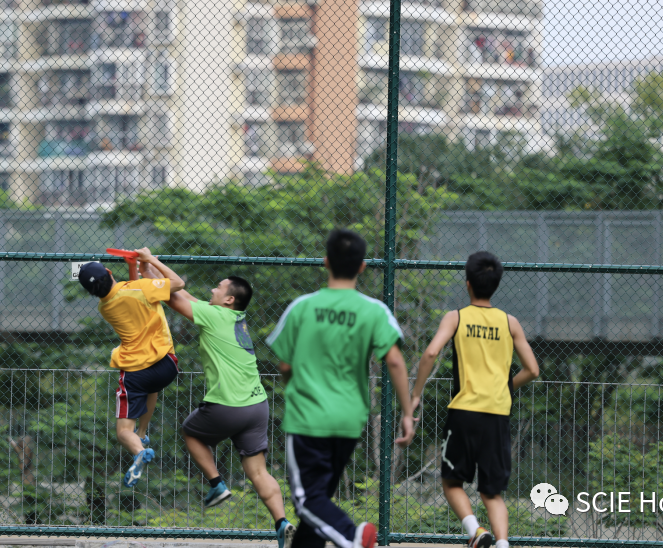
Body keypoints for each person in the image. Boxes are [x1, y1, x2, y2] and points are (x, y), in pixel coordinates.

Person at [266, 229, 415, 548]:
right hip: (349, 420)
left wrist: (296, 389)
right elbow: (396, 362)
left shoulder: (302, 307)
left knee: (307, 502)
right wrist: (407, 411)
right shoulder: (375, 310)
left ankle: (352, 536)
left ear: (325, 262)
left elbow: (285, 366)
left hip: (307, 418)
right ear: (362, 266)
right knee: (317, 507)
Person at [143, 260, 294, 548]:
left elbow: (171, 295)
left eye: (219, 287)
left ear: (229, 299)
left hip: (228, 404)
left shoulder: (214, 316)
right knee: (258, 472)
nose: (213, 288)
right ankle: (282, 523)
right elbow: (185, 297)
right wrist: (146, 270)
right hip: (256, 404)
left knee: (190, 431)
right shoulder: (233, 318)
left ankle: (217, 485)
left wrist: (149, 263)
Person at [408, 251, 540, 548]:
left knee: (452, 482)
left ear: (467, 284)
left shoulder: (456, 317)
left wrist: (416, 394)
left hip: (465, 412)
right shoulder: (510, 323)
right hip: (497, 415)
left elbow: (430, 353)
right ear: (496, 285)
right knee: (492, 492)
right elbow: (532, 370)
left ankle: (476, 531)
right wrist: (505, 388)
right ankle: (503, 544)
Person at [77, 247, 184, 487]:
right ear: (109, 271)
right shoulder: (138, 290)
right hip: (166, 365)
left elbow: (131, 294)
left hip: (136, 374)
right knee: (152, 386)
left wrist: (133, 268)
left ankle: (138, 450)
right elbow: (178, 283)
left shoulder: (105, 307)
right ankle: (143, 433)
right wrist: (148, 259)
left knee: (124, 431)